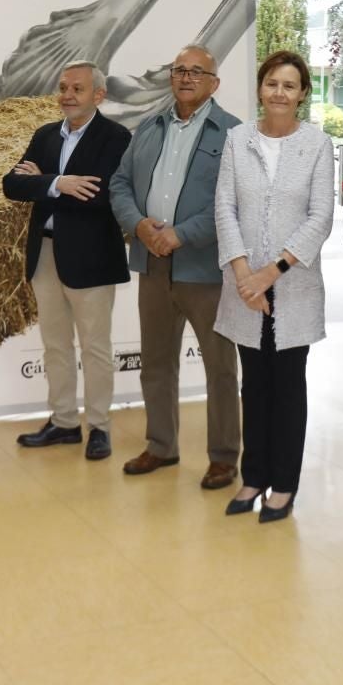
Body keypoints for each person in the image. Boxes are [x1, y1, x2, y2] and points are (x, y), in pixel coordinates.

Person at [109, 45, 243, 490]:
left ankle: (224, 457)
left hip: (206, 270)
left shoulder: (233, 134)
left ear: (214, 83)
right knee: (156, 363)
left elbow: (234, 202)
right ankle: (161, 446)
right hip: (153, 265)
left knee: (220, 368)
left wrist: (182, 233)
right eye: (179, 70)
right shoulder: (149, 127)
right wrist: (138, 225)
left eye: (197, 72)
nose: (186, 78)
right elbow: (121, 184)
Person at [212, 50, 335, 523]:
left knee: (288, 387)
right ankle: (253, 476)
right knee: (254, 386)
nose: (279, 93)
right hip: (244, 288)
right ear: (260, 89)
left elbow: (321, 216)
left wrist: (271, 272)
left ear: (303, 93)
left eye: (289, 85)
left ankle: (283, 484)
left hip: (294, 285)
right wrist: (245, 275)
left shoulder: (317, 145)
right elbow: (225, 207)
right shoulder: (237, 139)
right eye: (271, 84)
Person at [3, 60, 132, 461]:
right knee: (55, 345)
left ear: (99, 95)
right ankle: (63, 423)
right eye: (63, 88)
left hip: (92, 258)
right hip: (44, 253)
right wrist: (58, 183)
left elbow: (101, 194)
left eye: (77, 88)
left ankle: (99, 427)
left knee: (94, 348)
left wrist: (42, 183)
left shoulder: (116, 137)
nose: (67, 95)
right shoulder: (45, 136)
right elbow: (12, 184)